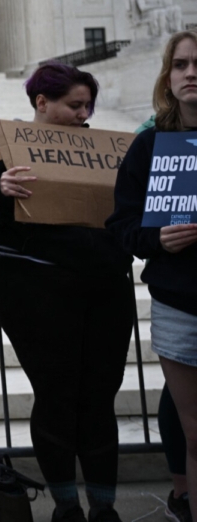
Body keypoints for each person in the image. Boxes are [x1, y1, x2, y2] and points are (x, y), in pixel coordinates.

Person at [0, 61, 133, 522]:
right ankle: (66, 504)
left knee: (101, 395)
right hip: (36, 288)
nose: (83, 114)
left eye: (88, 105)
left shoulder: (107, 151)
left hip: (104, 286)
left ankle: (104, 505)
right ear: (41, 102)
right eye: (73, 105)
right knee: (55, 393)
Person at [109, 31, 197, 522]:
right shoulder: (148, 147)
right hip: (179, 306)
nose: (191, 73)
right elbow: (122, 228)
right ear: (168, 76)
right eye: (181, 64)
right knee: (195, 432)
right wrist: (157, 240)